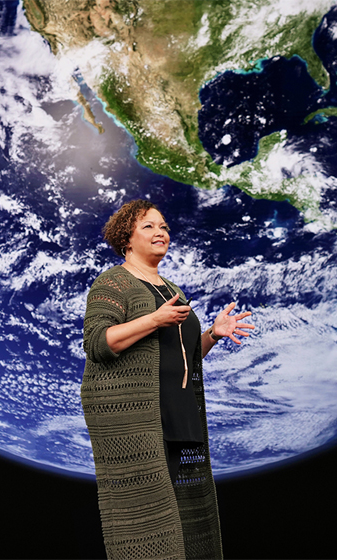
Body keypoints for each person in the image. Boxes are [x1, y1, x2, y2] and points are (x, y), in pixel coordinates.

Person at [82, 199, 254, 560]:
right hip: (137, 420)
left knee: (184, 523)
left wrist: (213, 334)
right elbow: (98, 343)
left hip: (177, 415)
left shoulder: (170, 287)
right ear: (126, 238)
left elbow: (183, 359)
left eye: (164, 227)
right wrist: (154, 320)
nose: (160, 232)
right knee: (149, 526)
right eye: (149, 226)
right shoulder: (113, 282)